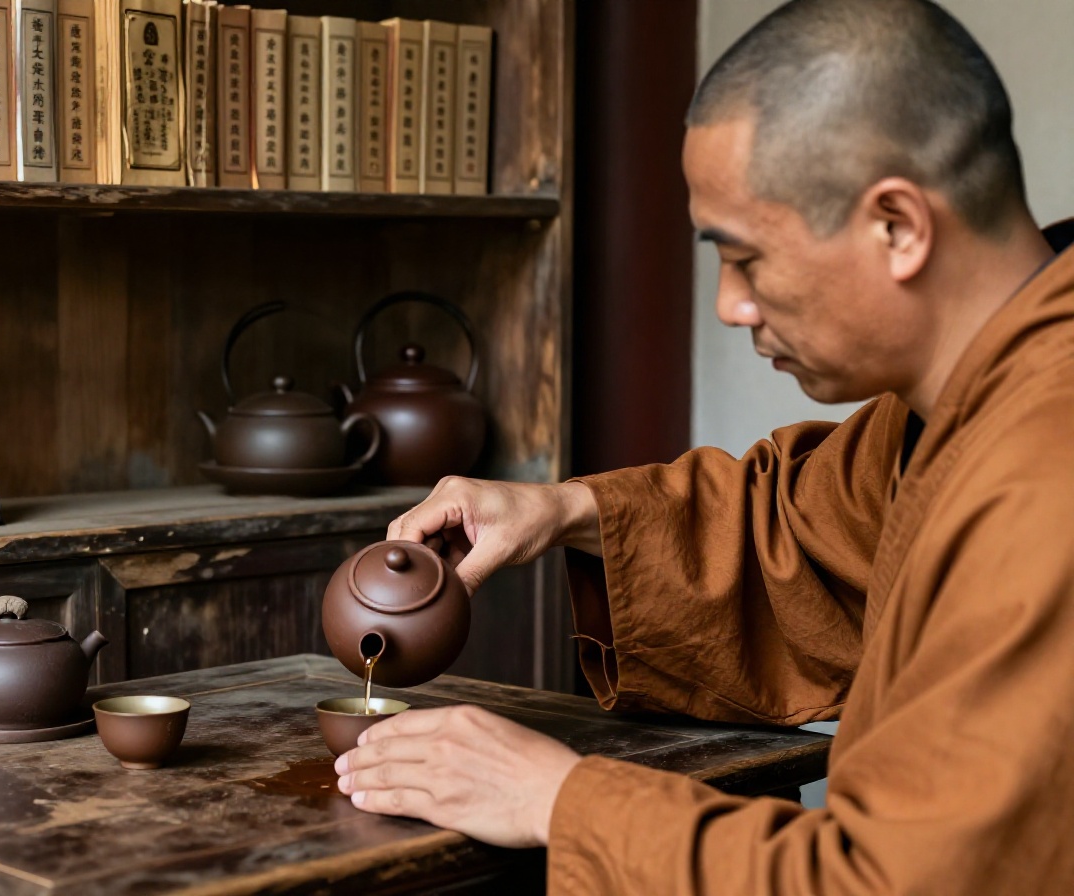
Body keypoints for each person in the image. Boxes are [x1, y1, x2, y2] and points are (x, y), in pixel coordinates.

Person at [332, 0, 1074, 892]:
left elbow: (906, 882)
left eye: (746, 258)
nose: (731, 306)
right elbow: (800, 543)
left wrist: (555, 797)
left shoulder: (1047, 466)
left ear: (899, 227)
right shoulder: (978, 392)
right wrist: (564, 509)